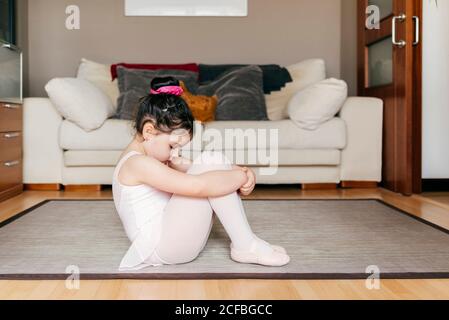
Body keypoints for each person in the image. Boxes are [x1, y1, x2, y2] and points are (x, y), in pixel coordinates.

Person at [112, 76, 290, 271]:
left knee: (211, 160)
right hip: (162, 247)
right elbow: (198, 186)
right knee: (209, 165)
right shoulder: (138, 164)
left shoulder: (149, 158)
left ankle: (245, 241)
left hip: (175, 241)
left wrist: (238, 172)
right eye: (172, 146)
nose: (174, 154)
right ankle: (245, 244)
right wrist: (238, 177)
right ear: (148, 132)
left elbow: (203, 168)